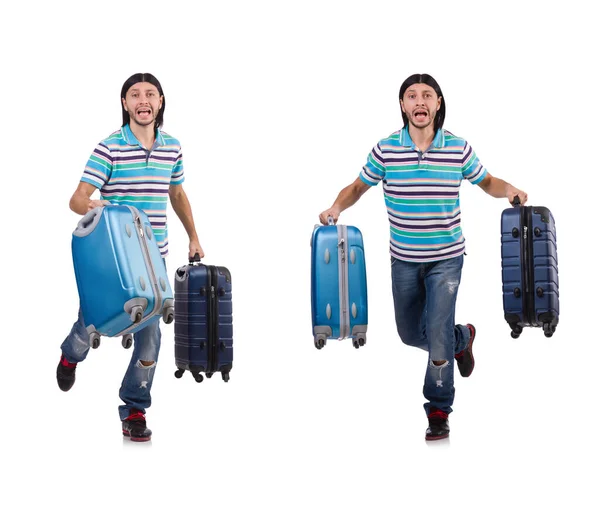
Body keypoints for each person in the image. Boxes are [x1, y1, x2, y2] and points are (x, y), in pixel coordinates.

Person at [319, 73, 528, 441]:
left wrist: (508, 188)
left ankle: (438, 408)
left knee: (435, 332)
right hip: (403, 259)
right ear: (402, 105)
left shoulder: (457, 148)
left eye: (427, 95)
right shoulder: (386, 150)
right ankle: (462, 339)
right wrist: (336, 207)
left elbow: (487, 181)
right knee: (408, 333)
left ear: (438, 103)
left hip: (447, 258)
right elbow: (356, 187)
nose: (419, 102)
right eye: (412, 96)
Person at [57, 73, 204, 442]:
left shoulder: (172, 146)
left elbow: (178, 193)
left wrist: (194, 237)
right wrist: (92, 203)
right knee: (89, 324)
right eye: (134, 94)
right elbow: (76, 198)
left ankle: (135, 408)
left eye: (150, 94)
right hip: (116, 257)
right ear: (125, 103)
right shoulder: (110, 147)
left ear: (160, 101)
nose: (143, 100)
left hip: (155, 259)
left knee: (151, 336)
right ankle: (70, 355)